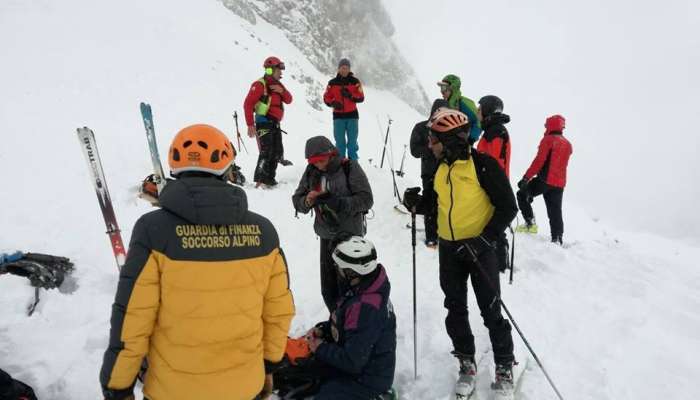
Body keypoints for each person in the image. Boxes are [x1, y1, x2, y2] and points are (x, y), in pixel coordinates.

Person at [100, 124, 295, 400]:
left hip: (174, 391)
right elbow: (278, 312)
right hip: (243, 387)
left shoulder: (153, 231)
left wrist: (118, 386)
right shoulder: (264, 233)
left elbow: (133, 319)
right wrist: (268, 366)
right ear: (228, 168)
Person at [402, 108, 517, 399]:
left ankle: (504, 365)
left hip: (480, 249)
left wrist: (483, 240)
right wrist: (416, 203)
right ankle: (466, 361)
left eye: (435, 139)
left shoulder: (483, 166)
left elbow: (508, 207)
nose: (430, 144)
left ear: (452, 139)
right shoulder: (440, 168)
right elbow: (434, 203)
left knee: (491, 310)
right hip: (450, 248)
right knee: (455, 308)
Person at [273, 237, 397, 400]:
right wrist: (324, 330)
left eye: (339, 267)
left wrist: (320, 348)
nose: (336, 271)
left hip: (368, 379)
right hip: (357, 364)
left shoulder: (366, 306)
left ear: (352, 272)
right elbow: (349, 325)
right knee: (300, 372)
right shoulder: (364, 287)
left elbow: (353, 361)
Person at [292, 136, 373, 312]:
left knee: (351, 288)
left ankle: (355, 325)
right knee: (329, 289)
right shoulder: (311, 171)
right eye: (314, 162)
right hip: (326, 236)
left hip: (350, 238)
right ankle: (337, 323)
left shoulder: (349, 167)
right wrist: (307, 201)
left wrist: (339, 203)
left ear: (331, 154)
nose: (318, 165)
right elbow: (297, 200)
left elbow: (366, 199)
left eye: (321, 160)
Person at [516, 114, 573, 244]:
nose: (545, 128)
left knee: (521, 194)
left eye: (546, 126)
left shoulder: (548, 140)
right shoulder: (567, 144)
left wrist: (526, 178)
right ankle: (557, 238)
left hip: (544, 180)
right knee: (555, 211)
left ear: (550, 126)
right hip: (559, 183)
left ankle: (530, 224)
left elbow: (539, 161)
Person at [243, 56, 293, 188]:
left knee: (277, 151)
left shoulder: (278, 85)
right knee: (266, 151)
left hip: (275, 123)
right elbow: (248, 104)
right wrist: (250, 125)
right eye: (279, 70)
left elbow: (289, 99)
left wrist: (282, 91)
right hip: (263, 121)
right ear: (271, 70)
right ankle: (260, 181)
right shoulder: (260, 85)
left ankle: (270, 179)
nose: (281, 73)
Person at [476, 95, 512, 272]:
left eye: (480, 108)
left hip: (494, 183)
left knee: (495, 220)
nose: (477, 111)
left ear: (487, 110)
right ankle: (497, 258)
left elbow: (493, 161)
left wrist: (487, 182)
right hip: (493, 181)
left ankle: (499, 261)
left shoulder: (495, 132)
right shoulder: (493, 130)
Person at [409, 98, 449, 248]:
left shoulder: (449, 129)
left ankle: (446, 234)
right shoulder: (421, 128)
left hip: (448, 172)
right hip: (429, 172)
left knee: (446, 204)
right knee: (431, 203)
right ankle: (431, 237)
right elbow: (414, 150)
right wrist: (431, 149)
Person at [323, 58, 365, 160]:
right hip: (338, 117)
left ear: (349, 69)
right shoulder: (332, 83)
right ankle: (340, 163)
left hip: (352, 116)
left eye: (346, 68)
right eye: (342, 68)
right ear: (338, 69)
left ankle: (353, 163)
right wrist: (333, 103)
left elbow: (361, 97)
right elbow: (326, 97)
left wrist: (350, 96)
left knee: (352, 143)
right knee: (340, 142)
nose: (344, 70)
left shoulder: (355, 82)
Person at [437, 74, 481, 143]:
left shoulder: (464, 103)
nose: (441, 91)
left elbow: (478, 121)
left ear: (452, 88)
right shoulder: (444, 106)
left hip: (462, 146)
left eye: (443, 87)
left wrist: (471, 138)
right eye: (441, 88)